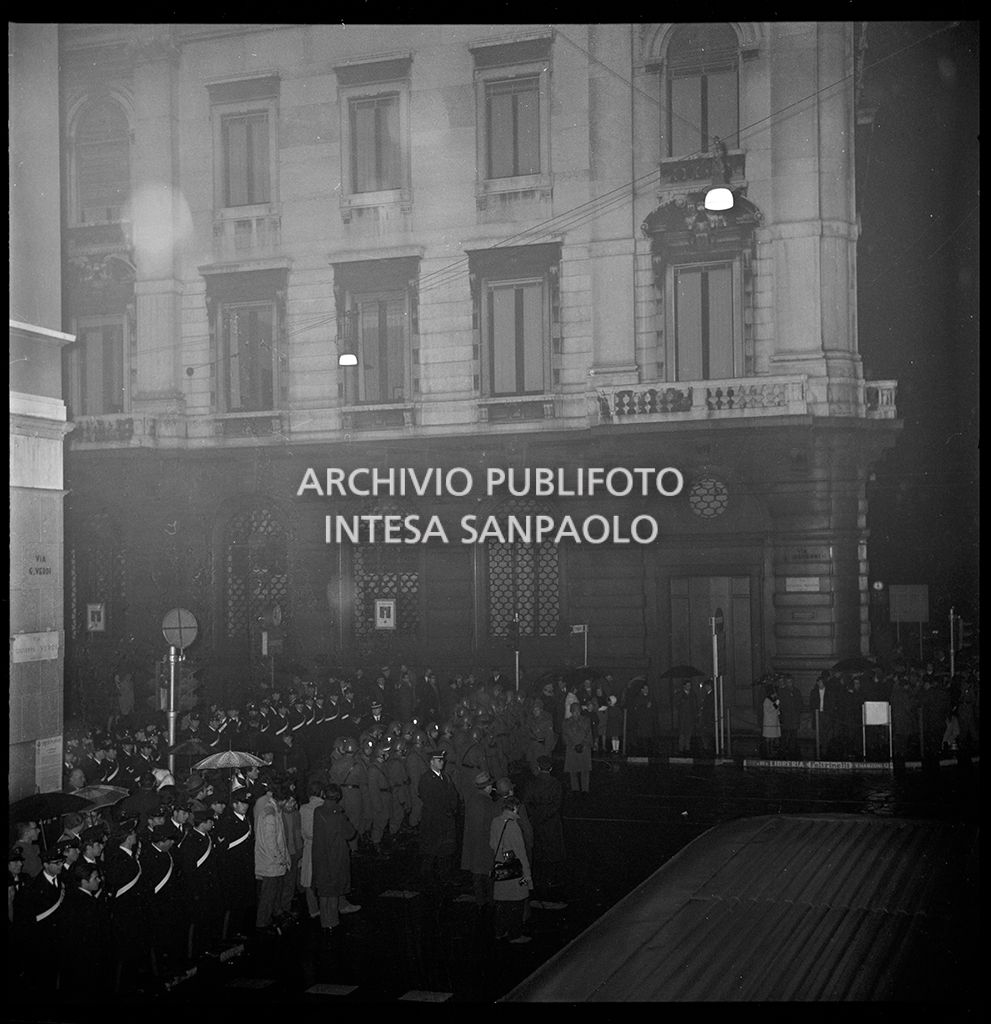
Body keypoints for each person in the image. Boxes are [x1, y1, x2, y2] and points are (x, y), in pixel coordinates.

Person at [310, 783, 361, 934]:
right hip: (336, 855)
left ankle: (325, 921)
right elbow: (350, 833)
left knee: (324, 888)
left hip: (320, 854)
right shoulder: (338, 814)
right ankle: (332, 922)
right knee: (334, 888)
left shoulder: (318, 811)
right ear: (338, 797)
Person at [417, 748, 461, 905]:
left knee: (445, 850)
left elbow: (453, 795)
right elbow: (429, 799)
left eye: (442, 760)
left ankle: (444, 878)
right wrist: (445, 810)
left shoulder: (446, 777)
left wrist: (452, 808)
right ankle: (427, 880)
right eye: (438, 760)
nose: (442, 762)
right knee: (430, 851)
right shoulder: (426, 779)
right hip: (433, 821)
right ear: (431, 762)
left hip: (446, 819)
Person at [522, 756, 566, 902]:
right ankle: (550, 879)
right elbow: (556, 805)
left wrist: (535, 816)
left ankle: (536, 879)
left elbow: (526, 802)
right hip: (551, 822)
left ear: (539, 767)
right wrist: (545, 815)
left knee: (537, 850)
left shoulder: (531, 783)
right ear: (551, 768)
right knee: (552, 850)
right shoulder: (555, 784)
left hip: (535, 821)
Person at [490, 797, 533, 943]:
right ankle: (515, 935)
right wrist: (528, 877)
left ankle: (499, 931)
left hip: (501, 867)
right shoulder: (514, 826)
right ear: (515, 808)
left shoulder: (495, 822)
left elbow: (492, 844)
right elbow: (521, 853)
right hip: (515, 870)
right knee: (517, 902)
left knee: (502, 902)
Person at [254, 777, 291, 934]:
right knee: (268, 896)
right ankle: (262, 924)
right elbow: (271, 843)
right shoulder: (270, 814)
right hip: (271, 863)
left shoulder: (274, 810)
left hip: (273, 863)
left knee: (273, 894)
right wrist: (281, 858)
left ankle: (270, 919)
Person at [216, 792, 255, 941]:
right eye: (242, 803)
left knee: (244, 903)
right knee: (234, 905)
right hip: (232, 870)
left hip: (245, 868)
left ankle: (241, 930)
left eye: (246, 803)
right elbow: (224, 849)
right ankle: (230, 935)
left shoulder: (247, 820)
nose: (245, 806)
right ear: (234, 805)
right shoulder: (227, 822)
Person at [461, 770, 498, 914]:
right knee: (488, 874)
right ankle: (490, 901)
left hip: (473, 841)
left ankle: (480, 902)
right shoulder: (487, 802)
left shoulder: (473, 798)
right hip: (485, 842)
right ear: (487, 786)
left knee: (476, 873)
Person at [298, 779, 325, 924]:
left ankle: (313, 909)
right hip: (322, 846)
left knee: (308, 879)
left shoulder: (303, 808)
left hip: (308, 846)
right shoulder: (324, 807)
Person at [562, 704, 593, 794]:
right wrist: (573, 746)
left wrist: (583, 744)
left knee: (585, 771)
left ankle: (585, 790)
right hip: (572, 749)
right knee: (573, 771)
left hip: (584, 748)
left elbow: (589, 734)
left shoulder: (586, 720)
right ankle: (575, 790)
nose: (576, 713)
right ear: (571, 712)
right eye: (574, 711)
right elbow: (564, 736)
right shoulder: (566, 722)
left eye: (578, 711)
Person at [777, 674, 802, 758]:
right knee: (785, 735)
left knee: (793, 735)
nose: (789, 683)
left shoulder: (797, 691)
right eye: (787, 682)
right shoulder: (782, 691)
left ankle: (792, 750)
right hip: (786, 717)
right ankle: (783, 749)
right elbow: (780, 704)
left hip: (794, 717)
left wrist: (797, 712)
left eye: (790, 682)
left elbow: (800, 703)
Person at [676, 680, 697, 755]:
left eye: (690, 685)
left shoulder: (692, 694)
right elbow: (677, 704)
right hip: (682, 717)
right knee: (682, 733)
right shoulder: (680, 694)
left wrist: (695, 716)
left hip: (690, 717)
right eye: (687, 685)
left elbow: (694, 706)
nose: (689, 687)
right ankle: (681, 748)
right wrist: (681, 701)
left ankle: (687, 748)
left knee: (688, 734)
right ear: (684, 686)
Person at [762, 686, 781, 759]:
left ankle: (771, 751)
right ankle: (768, 752)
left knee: (772, 737)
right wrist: (776, 705)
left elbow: (775, 709)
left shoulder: (772, 700)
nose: (775, 695)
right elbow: (769, 710)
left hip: (773, 721)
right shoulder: (767, 700)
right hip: (769, 722)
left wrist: (778, 711)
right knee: (768, 738)